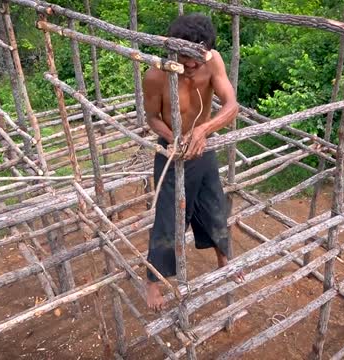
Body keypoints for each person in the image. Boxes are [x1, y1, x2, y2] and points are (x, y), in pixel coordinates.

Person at [142, 13, 243, 312]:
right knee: (168, 218)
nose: (191, 68)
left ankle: (224, 259)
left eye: (196, 61)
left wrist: (202, 130)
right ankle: (153, 280)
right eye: (185, 61)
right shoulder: (156, 76)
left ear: (206, 51)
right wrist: (174, 138)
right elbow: (151, 118)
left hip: (203, 147)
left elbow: (231, 105)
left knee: (214, 207)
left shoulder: (213, 62)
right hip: (172, 151)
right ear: (174, 51)